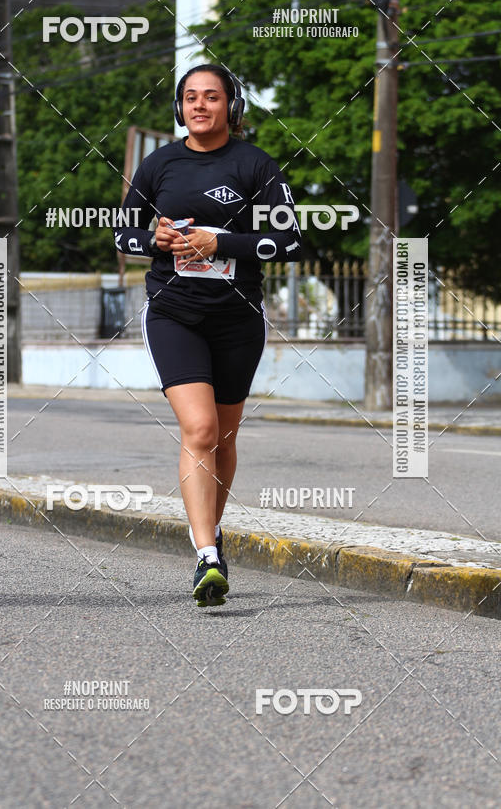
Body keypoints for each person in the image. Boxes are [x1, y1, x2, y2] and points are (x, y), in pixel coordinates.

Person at [114, 63, 303, 607]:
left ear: (230, 107)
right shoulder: (159, 165)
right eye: (190, 98)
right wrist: (159, 241)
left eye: (212, 98)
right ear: (180, 108)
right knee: (198, 429)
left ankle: (210, 534)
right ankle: (207, 556)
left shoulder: (255, 165)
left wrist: (221, 245)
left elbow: (289, 241)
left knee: (222, 436)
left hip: (237, 318)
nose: (200, 106)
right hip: (174, 313)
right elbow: (124, 234)